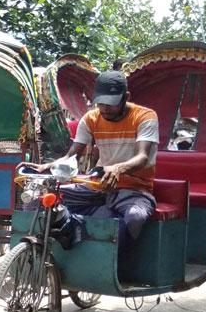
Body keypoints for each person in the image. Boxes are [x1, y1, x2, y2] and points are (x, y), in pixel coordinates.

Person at [32, 70, 158, 252]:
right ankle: (73, 230)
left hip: (135, 188)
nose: (105, 108)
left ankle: (113, 262)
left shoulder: (145, 117)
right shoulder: (90, 119)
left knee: (135, 217)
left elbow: (142, 157)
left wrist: (117, 168)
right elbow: (71, 155)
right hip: (97, 185)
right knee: (40, 200)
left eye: (111, 103)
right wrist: (49, 166)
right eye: (101, 103)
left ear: (126, 97)